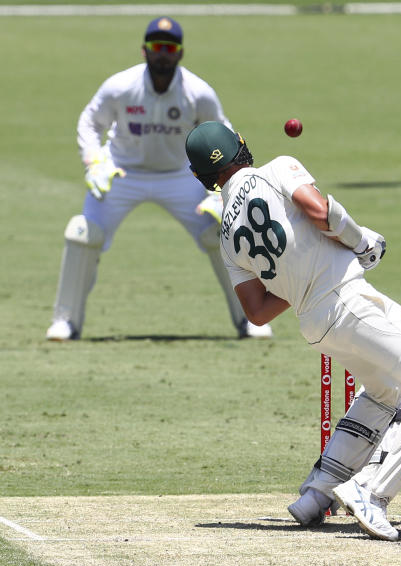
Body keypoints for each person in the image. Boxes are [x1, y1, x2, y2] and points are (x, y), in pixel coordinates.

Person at [184, 121, 401, 541]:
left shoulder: (227, 237)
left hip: (316, 322)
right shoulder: (276, 169)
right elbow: (318, 210)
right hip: (346, 300)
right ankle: (370, 491)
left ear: (203, 177)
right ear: (240, 148)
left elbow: (255, 311)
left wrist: (299, 279)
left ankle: (316, 494)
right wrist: (362, 243)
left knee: (384, 391)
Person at [46, 16, 272, 341]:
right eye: (156, 47)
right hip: (122, 173)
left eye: (169, 47)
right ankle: (65, 322)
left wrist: (221, 190)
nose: (162, 53)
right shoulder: (121, 86)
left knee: (220, 233)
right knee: (83, 234)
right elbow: (89, 122)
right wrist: (94, 162)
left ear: (180, 53)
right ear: (144, 51)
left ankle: (252, 319)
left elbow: (222, 137)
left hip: (181, 176)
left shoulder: (198, 93)